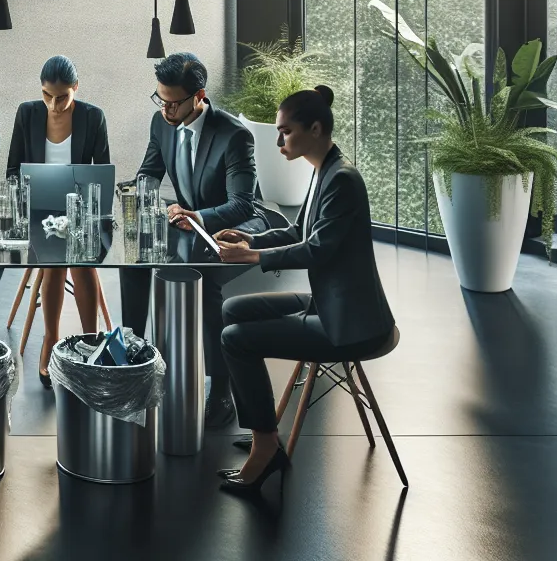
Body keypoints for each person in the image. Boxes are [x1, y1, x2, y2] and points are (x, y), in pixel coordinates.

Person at [213, 86, 395, 496]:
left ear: (315, 128)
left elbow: (317, 249)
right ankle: (265, 430)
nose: (279, 141)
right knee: (233, 310)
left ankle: (265, 446)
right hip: (330, 306)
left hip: (351, 325)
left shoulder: (342, 180)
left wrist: (253, 260)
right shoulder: (325, 170)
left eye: (286, 132)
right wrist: (248, 240)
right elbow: (299, 230)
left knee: (235, 339)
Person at [123, 51, 264, 429]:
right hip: (188, 220)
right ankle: (133, 363)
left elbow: (242, 204)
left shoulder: (234, 135)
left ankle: (221, 390)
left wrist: (198, 216)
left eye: (173, 103)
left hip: (236, 225)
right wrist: (144, 195)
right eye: (161, 100)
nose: (166, 110)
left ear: (199, 96)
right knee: (132, 261)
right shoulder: (161, 123)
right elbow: (148, 173)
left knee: (203, 281)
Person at [4, 55, 111, 385]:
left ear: (75, 88)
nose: (54, 104)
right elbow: (12, 171)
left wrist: (85, 212)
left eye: (62, 96)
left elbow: (101, 175)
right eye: (47, 95)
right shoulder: (27, 113)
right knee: (54, 257)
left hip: (83, 212)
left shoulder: (93, 118)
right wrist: (24, 199)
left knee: (81, 256)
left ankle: (89, 338)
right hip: (39, 212)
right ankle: (51, 337)